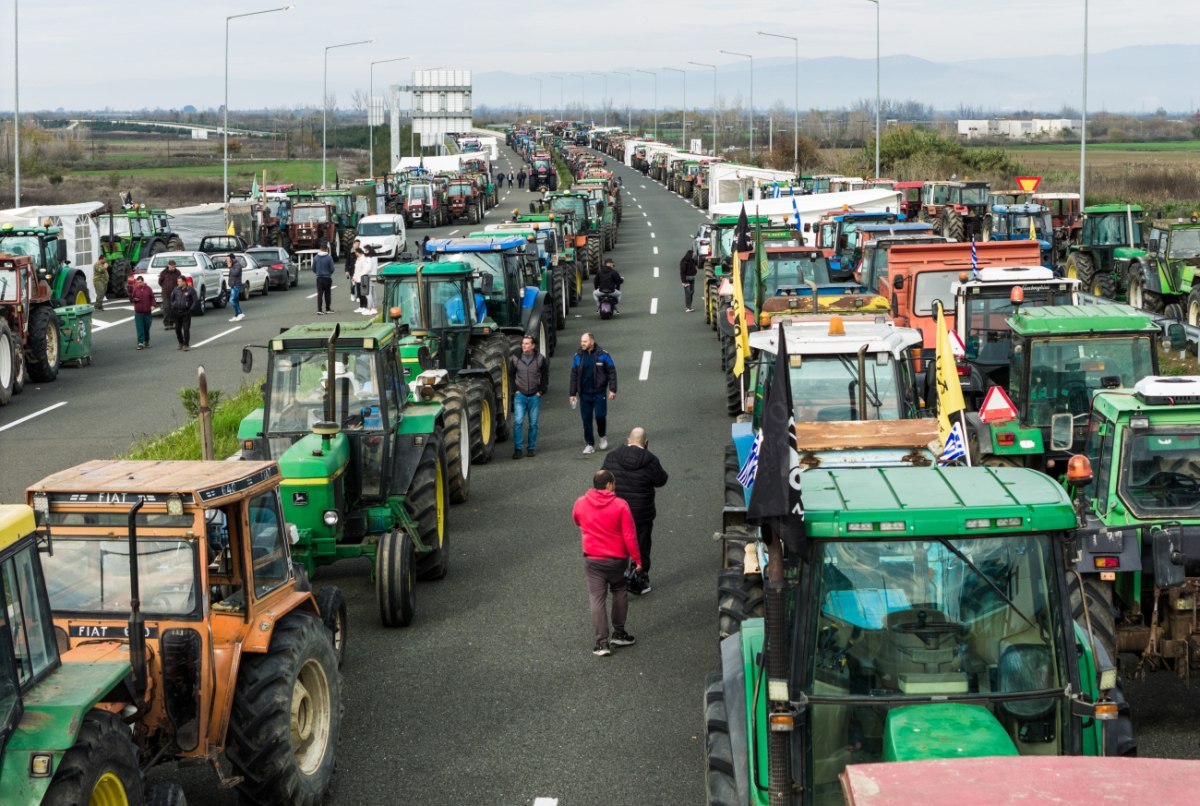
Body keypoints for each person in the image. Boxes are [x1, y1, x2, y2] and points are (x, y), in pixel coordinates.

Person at [572, 469, 642, 657]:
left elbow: (577, 520)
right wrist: (637, 559)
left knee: (596, 598)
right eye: (614, 483)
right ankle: (619, 633)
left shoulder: (580, 502)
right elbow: (629, 536)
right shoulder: (620, 505)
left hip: (592, 559)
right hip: (616, 560)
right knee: (619, 591)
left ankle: (601, 642)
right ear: (609, 484)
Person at [601, 427, 669, 594]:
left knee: (617, 546)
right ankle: (639, 580)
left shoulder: (612, 456)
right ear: (646, 443)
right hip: (641, 514)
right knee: (641, 547)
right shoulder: (650, 460)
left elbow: (603, 480)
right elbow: (661, 480)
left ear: (628, 440)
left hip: (615, 512)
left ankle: (616, 578)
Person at [568, 332, 617, 454]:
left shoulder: (603, 355)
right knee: (586, 419)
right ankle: (589, 444)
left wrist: (612, 389)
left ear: (592, 342)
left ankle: (602, 435)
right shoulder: (578, 356)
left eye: (585, 341)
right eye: (581, 341)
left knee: (600, 416)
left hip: (599, 393)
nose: (582, 344)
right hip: (584, 394)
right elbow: (573, 375)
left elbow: (611, 371)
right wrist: (572, 394)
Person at [510, 333, 548, 459]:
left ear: (533, 346)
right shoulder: (516, 358)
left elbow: (545, 376)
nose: (524, 346)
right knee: (518, 422)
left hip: (534, 396)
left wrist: (541, 391)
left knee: (533, 424)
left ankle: (531, 448)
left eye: (526, 344)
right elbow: (511, 375)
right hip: (520, 395)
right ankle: (518, 449)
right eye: (523, 343)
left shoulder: (540, 359)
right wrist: (515, 390)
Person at [127, 275, 156, 350]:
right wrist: (134, 299)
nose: (139, 284)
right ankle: (140, 343)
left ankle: (146, 341)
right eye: (138, 282)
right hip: (138, 312)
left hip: (147, 312)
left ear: (143, 281)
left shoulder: (148, 289)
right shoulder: (135, 289)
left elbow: (152, 298)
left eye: (140, 282)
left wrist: (153, 305)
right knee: (140, 328)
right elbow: (132, 298)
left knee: (147, 327)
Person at [170, 276, 198, 351]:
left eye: (179, 281)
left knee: (186, 329)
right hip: (176, 312)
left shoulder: (190, 290)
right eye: (177, 281)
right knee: (177, 329)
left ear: (184, 282)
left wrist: (191, 309)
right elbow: (172, 299)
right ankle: (181, 342)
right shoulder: (175, 289)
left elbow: (195, 300)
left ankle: (186, 344)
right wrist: (173, 307)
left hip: (186, 312)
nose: (178, 283)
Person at [158, 259, 182, 330]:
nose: (173, 268)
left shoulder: (177, 272)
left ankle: (172, 323)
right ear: (168, 265)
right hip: (165, 293)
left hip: (174, 293)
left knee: (173, 308)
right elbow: (160, 282)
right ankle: (166, 323)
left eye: (174, 266)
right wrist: (165, 287)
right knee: (166, 308)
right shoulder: (163, 273)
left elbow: (180, 282)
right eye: (172, 266)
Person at [312, 242, 335, 314]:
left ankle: (319, 310)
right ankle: (327, 309)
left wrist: (318, 272)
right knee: (327, 294)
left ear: (320, 249)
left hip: (319, 278)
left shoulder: (316, 257)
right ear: (326, 249)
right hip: (327, 277)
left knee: (320, 294)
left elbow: (313, 268)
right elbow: (332, 268)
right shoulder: (329, 257)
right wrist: (329, 273)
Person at [355, 246, 378, 316]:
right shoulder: (374, 257)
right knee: (373, 292)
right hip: (374, 275)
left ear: (369, 251)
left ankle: (369, 308)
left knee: (368, 293)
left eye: (365, 250)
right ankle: (374, 307)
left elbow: (368, 268)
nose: (364, 252)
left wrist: (362, 274)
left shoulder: (369, 258)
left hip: (368, 276)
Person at [226, 253, 244, 322]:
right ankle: (237, 314)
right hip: (233, 285)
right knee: (236, 300)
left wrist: (230, 267)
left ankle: (240, 313)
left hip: (236, 285)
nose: (227, 261)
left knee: (232, 300)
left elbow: (235, 273)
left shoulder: (237, 265)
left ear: (232, 258)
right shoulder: (233, 265)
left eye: (228, 259)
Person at [679, 248, 698, 313]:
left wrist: (695, 272)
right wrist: (683, 281)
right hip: (686, 280)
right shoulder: (684, 262)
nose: (694, 256)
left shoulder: (692, 261)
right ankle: (688, 307)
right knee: (688, 293)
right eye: (693, 255)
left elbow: (696, 265)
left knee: (692, 292)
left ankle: (689, 306)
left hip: (692, 278)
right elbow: (682, 272)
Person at [345, 238, 360, 306]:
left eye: (359, 244)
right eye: (356, 244)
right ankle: (352, 294)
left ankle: (358, 296)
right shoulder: (350, 252)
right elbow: (347, 262)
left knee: (359, 284)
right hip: (352, 271)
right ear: (353, 244)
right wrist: (346, 270)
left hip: (359, 271)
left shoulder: (360, 251)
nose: (357, 245)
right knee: (353, 284)